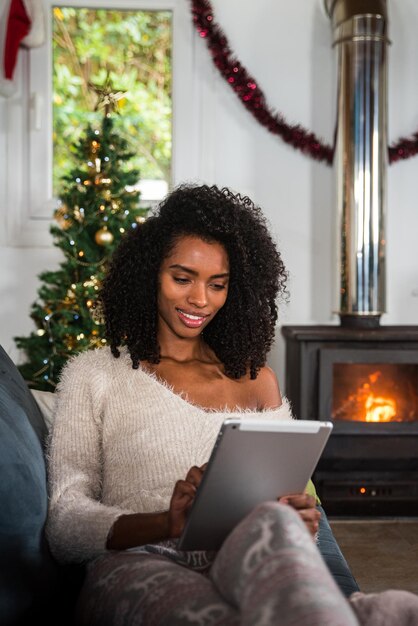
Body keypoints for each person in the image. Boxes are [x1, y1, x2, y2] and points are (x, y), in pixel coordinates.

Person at [46, 183, 418, 625]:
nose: (200, 300)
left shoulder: (257, 381)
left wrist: (301, 520)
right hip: (142, 561)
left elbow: (291, 496)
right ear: (149, 274)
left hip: (253, 553)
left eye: (217, 284)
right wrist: (167, 522)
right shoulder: (95, 374)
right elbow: (65, 525)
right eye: (182, 278)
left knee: (278, 527)